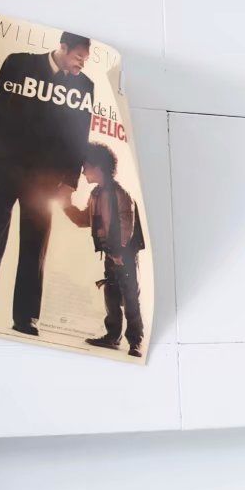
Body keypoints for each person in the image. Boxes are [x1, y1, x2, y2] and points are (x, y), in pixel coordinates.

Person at [0, 31, 95, 335]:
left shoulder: (85, 86)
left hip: (46, 181)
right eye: (78, 57)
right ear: (63, 48)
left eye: (85, 60)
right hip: (0, 168)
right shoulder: (17, 63)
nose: (81, 65)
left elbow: (80, 137)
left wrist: (70, 181)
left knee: (35, 247)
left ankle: (26, 318)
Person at [59, 142, 145, 356]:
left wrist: (118, 252)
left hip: (123, 255)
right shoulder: (96, 194)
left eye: (86, 167)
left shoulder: (120, 193)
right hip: (110, 254)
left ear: (98, 167)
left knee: (130, 296)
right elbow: (84, 220)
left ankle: (135, 341)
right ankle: (112, 336)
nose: (83, 172)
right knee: (111, 294)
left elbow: (127, 224)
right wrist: (66, 205)